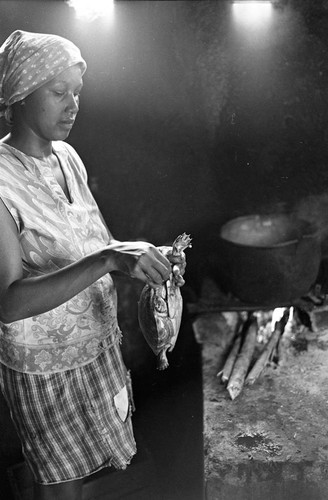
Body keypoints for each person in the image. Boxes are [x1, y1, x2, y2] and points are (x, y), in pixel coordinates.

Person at [0, 30, 186, 500]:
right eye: (58, 92)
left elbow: (97, 244)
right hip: (47, 367)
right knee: (60, 489)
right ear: (19, 96)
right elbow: (8, 301)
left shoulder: (67, 157)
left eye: (77, 93)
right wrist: (108, 259)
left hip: (97, 348)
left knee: (80, 478)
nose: (73, 105)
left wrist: (144, 254)